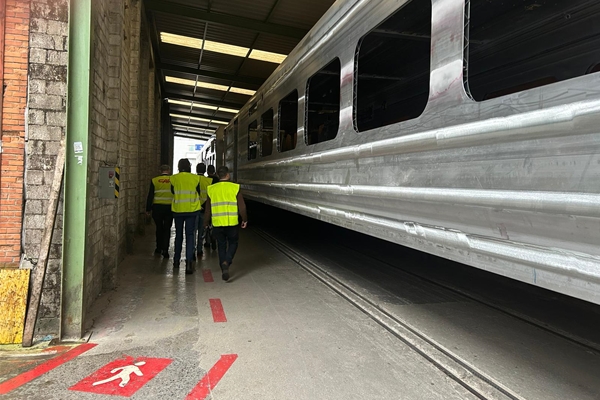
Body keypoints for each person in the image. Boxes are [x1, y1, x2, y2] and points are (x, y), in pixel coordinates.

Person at [204, 166, 248, 281]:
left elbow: (208, 210)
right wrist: (244, 219)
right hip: (232, 222)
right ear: (227, 175)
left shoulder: (211, 189)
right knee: (233, 243)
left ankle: (224, 267)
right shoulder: (235, 187)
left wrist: (205, 222)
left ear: (219, 176)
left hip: (217, 223)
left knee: (221, 245)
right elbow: (242, 207)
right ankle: (226, 262)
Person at [170, 158, 201, 274]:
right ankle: (189, 263)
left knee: (178, 235)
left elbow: (173, 191)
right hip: (192, 210)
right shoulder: (195, 178)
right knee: (190, 235)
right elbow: (198, 192)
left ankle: (176, 261)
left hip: (178, 210)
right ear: (189, 166)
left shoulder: (173, 178)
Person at [146, 165, 173, 258]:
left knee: (159, 228)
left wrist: (148, 209)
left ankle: (158, 248)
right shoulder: (173, 180)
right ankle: (165, 250)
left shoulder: (155, 180)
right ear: (169, 170)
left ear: (160, 170)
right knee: (167, 229)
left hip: (157, 207)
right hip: (169, 207)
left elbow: (150, 195)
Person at [195, 162, 213, 258]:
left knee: (193, 231)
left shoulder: (193, 179)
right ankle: (199, 249)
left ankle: (193, 249)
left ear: (196, 170)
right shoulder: (209, 181)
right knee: (202, 230)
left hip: (195, 207)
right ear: (205, 170)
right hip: (205, 207)